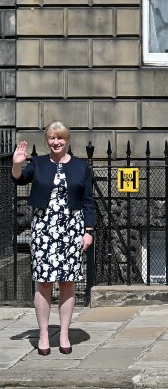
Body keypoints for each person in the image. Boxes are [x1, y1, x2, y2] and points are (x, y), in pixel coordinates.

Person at [10, 121, 96, 356]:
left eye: (60, 138)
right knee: (44, 282)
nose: (56, 142)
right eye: (51, 138)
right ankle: (44, 335)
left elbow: (88, 200)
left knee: (68, 282)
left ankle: (65, 334)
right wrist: (16, 165)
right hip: (44, 229)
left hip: (72, 229)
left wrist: (88, 231)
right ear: (47, 140)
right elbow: (20, 179)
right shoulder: (38, 163)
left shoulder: (81, 166)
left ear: (67, 140)